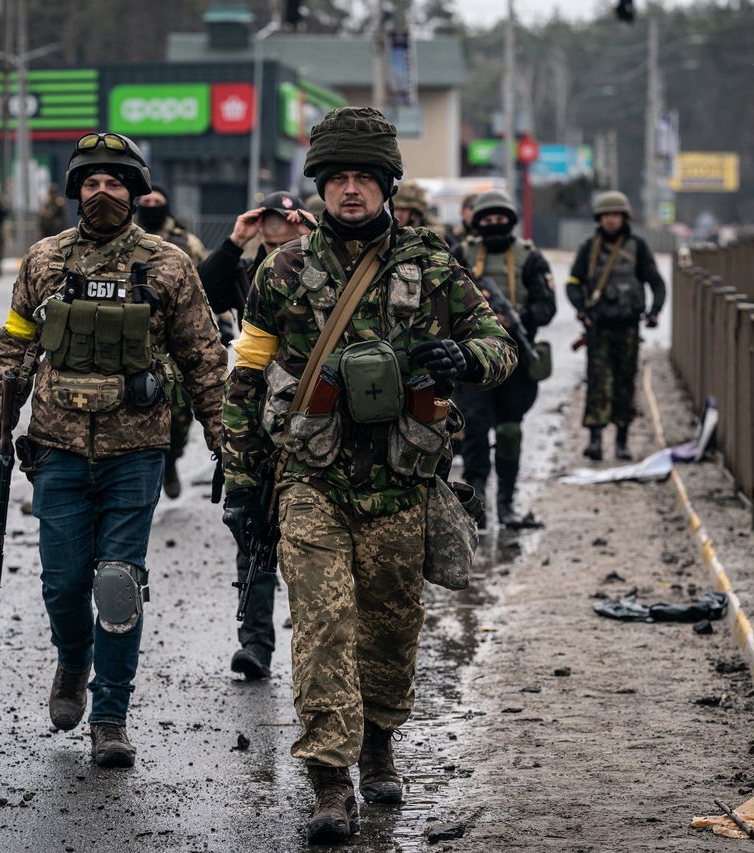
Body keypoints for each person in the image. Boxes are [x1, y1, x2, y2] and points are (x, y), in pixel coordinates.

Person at [220, 107, 516, 843]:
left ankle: (379, 742)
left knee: (390, 626)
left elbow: (499, 345)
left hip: (400, 481)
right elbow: (248, 373)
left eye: (364, 177)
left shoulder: (431, 264)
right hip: (311, 478)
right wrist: (243, 473)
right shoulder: (283, 271)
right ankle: (329, 780)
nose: (350, 190)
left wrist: (465, 357)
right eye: (338, 178)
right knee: (322, 626)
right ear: (320, 185)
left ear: (387, 184)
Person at [0, 131, 227, 768]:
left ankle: (110, 715)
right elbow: (14, 346)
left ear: (136, 192)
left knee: (118, 583)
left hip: (135, 451)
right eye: (91, 182)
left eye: (115, 182)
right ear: (75, 191)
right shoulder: (44, 261)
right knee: (63, 585)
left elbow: (203, 358)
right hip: (56, 447)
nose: (102, 193)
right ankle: (72, 661)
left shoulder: (169, 266)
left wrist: (226, 439)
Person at [196, 190, 314, 682]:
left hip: (311, 417)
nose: (274, 227)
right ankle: (256, 645)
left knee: (314, 540)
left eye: (283, 220)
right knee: (254, 531)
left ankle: (318, 650)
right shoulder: (246, 273)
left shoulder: (320, 266)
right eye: (267, 220)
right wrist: (234, 242)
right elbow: (201, 293)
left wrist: (314, 234)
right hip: (253, 416)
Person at [453, 189, 557, 528]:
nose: (494, 224)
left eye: (501, 218)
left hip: (516, 361)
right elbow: (442, 300)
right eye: (488, 219)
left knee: (510, 431)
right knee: (474, 430)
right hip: (474, 359)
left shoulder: (530, 257)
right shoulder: (462, 255)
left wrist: (518, 318)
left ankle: (507, 504)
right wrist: (479, 317)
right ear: (478, 222)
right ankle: (477, 505)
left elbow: (547, 306)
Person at [565, 190, 665, 461]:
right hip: (599, 328)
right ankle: (595, 440)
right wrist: (581, 309)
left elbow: (657, 283)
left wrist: (654, 312)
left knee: (625, 383)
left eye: (616, 215)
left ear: (624, 217)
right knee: (597, 383)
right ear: (599, 218)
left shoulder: (638, 247)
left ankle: (622, 440)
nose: (611, 220)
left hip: (629, 327)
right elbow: (573, 283)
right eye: (606, 215)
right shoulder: (589, 248)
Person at [135, 184, 210, 498]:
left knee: (179, 416)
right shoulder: (124, 240)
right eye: (147, 200)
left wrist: (219, 324)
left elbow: (205, 287)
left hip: (176, 343)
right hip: (135, 344)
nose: (152, 205)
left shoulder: (185, 244)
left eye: (158, 201)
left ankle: (171, 459)